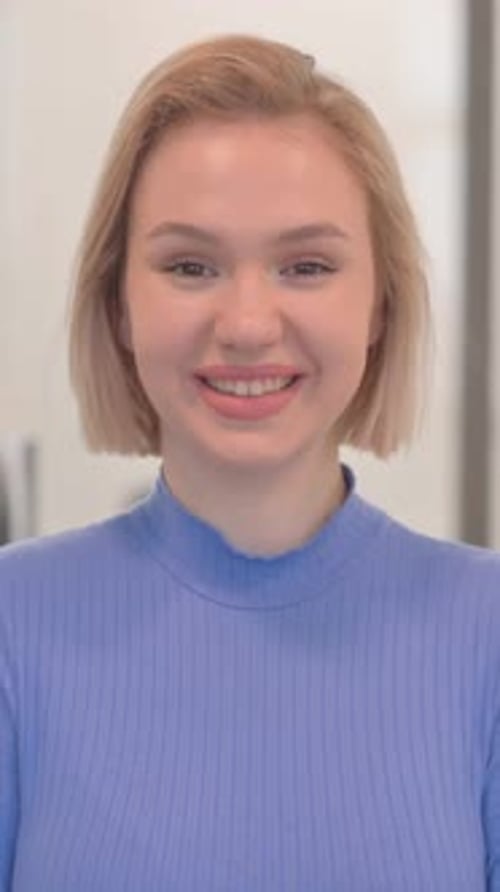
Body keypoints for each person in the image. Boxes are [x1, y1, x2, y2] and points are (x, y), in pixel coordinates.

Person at [1, 32, 499, 892]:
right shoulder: (13, 624)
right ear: (119, 306)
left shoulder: (486, 634)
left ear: (380, 305)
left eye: (306, 266)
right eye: (190, 265)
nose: (246, 325)